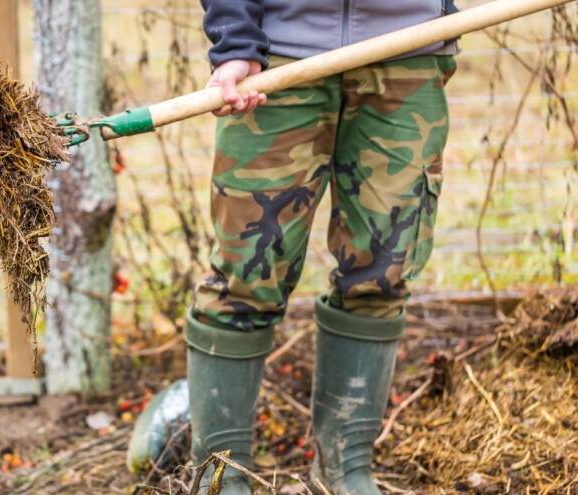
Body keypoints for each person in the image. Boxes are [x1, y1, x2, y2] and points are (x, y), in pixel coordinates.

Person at [129, 1, 460, 494]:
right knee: (247, 272)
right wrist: (236, 42)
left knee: (383, 270)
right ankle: (220, 478)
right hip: (277, 58)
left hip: (409, 47)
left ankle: (345, 472)